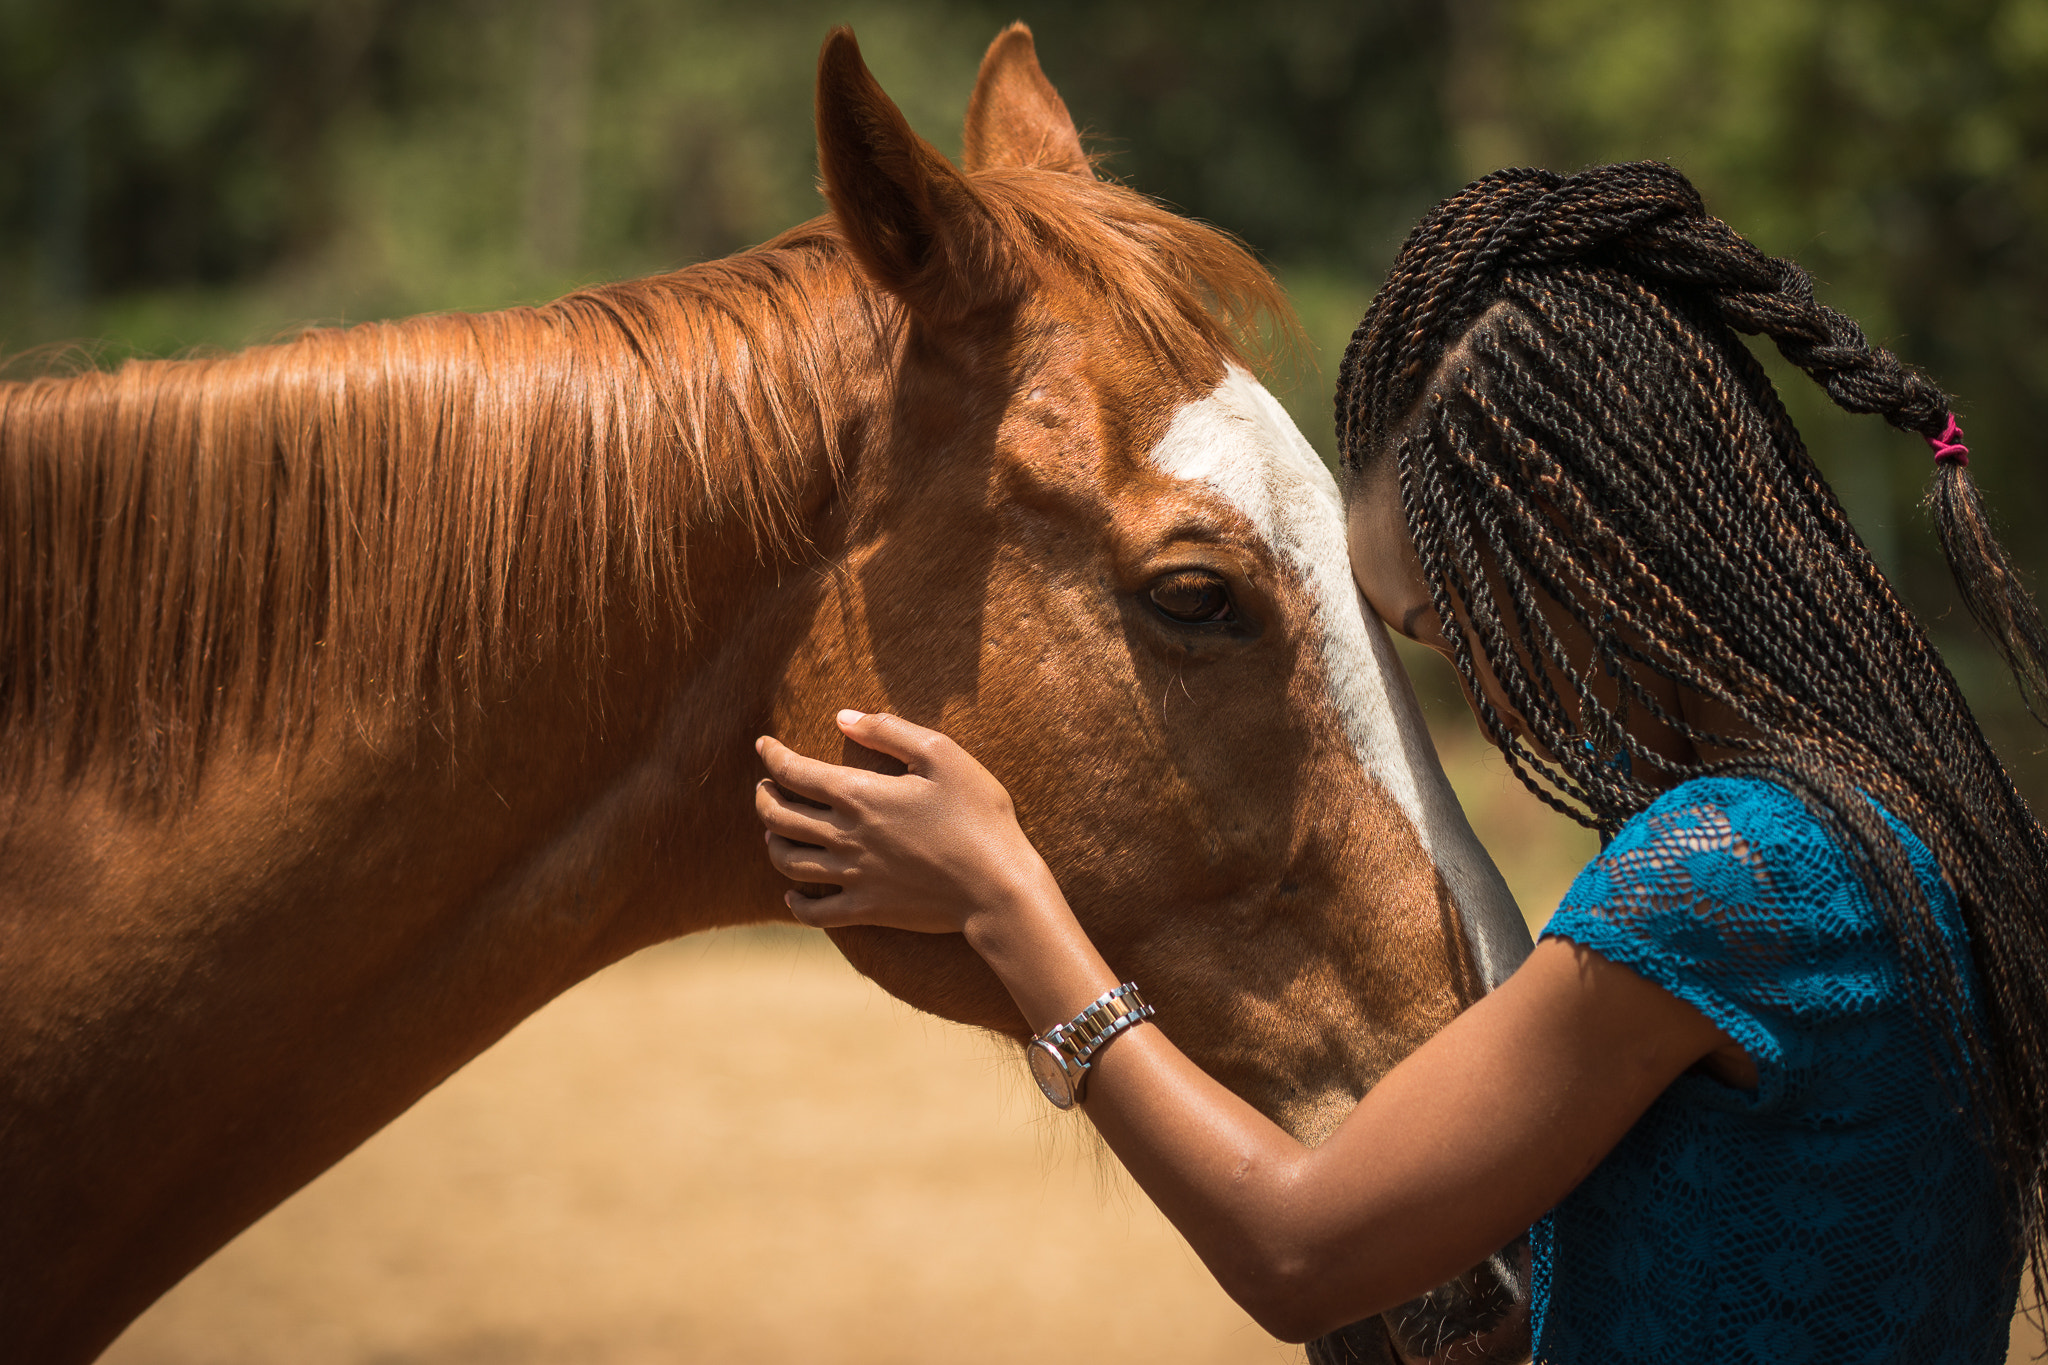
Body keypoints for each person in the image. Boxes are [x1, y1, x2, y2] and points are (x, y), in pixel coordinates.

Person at [752, 161, 2047, 1363]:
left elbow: (1296, 1246)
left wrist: (1007, 901)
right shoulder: (1916, 835)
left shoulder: (1722, 880)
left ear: (1560, 550)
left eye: (1446, 633)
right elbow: (1777, 1247)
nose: (1484, 696)